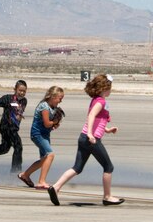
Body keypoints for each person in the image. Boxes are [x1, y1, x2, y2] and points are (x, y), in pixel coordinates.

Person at [48, 74, 123, 206]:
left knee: (77, 168)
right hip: (90, 139)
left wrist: (107, 129)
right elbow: (91, 116)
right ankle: (107, 197)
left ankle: (55, 187)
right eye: (109, 88)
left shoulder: (96, 100)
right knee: (108, 167)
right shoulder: (101, 102)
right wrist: (90, 134)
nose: (110, 90)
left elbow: (98, 121)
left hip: (84, 138)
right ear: (104, 88)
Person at [18, 86, 64, 189]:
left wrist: (55, 125)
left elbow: (50, 125)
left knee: (44, 159)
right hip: (37, 134)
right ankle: (41, 181)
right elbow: (47, 123)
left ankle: (25, 175)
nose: (61, 100)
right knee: (50, 155)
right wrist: (54, 122)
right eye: (60, 98)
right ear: (53, 97)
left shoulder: (54, 108)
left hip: (45, 135)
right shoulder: (44, 106)